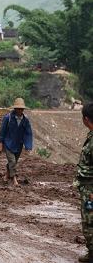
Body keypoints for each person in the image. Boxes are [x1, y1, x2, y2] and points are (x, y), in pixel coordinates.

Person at [0, 98, 33, 186]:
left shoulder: (25, 120)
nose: (20, 110)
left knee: (13, 162)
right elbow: (2, 131)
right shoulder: (7, 118)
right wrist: (0, 143)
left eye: (22, 109)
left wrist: (28, 146)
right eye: (18, 109)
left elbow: (28, 133)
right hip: (8, 143)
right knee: (12, 161)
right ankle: (14, 180)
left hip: (18, 145)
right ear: (15, 109)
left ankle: (6, 176)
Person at [76, 103, 93, 262]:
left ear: (86, 119)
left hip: (91, 190)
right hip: (87, 187)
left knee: (89, 223)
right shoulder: (91, 135)